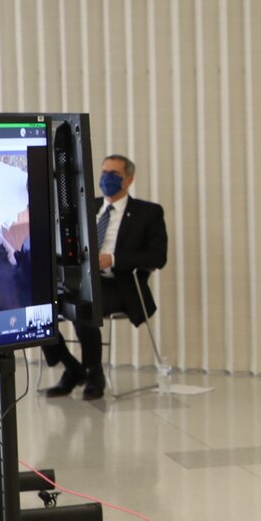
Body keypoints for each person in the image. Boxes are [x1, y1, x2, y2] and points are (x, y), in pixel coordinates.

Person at [43, 153, 167, 401]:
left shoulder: (148, 212)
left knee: (84, 303)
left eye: (114, 174)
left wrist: (113, 259)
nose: (106, 179)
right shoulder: (87, 206)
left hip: (119, 285)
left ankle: (93, 373)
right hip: (80, 280)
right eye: (103, 173)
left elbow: (157, 257)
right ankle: (71, 367)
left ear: (128, 180)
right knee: (41, 304)